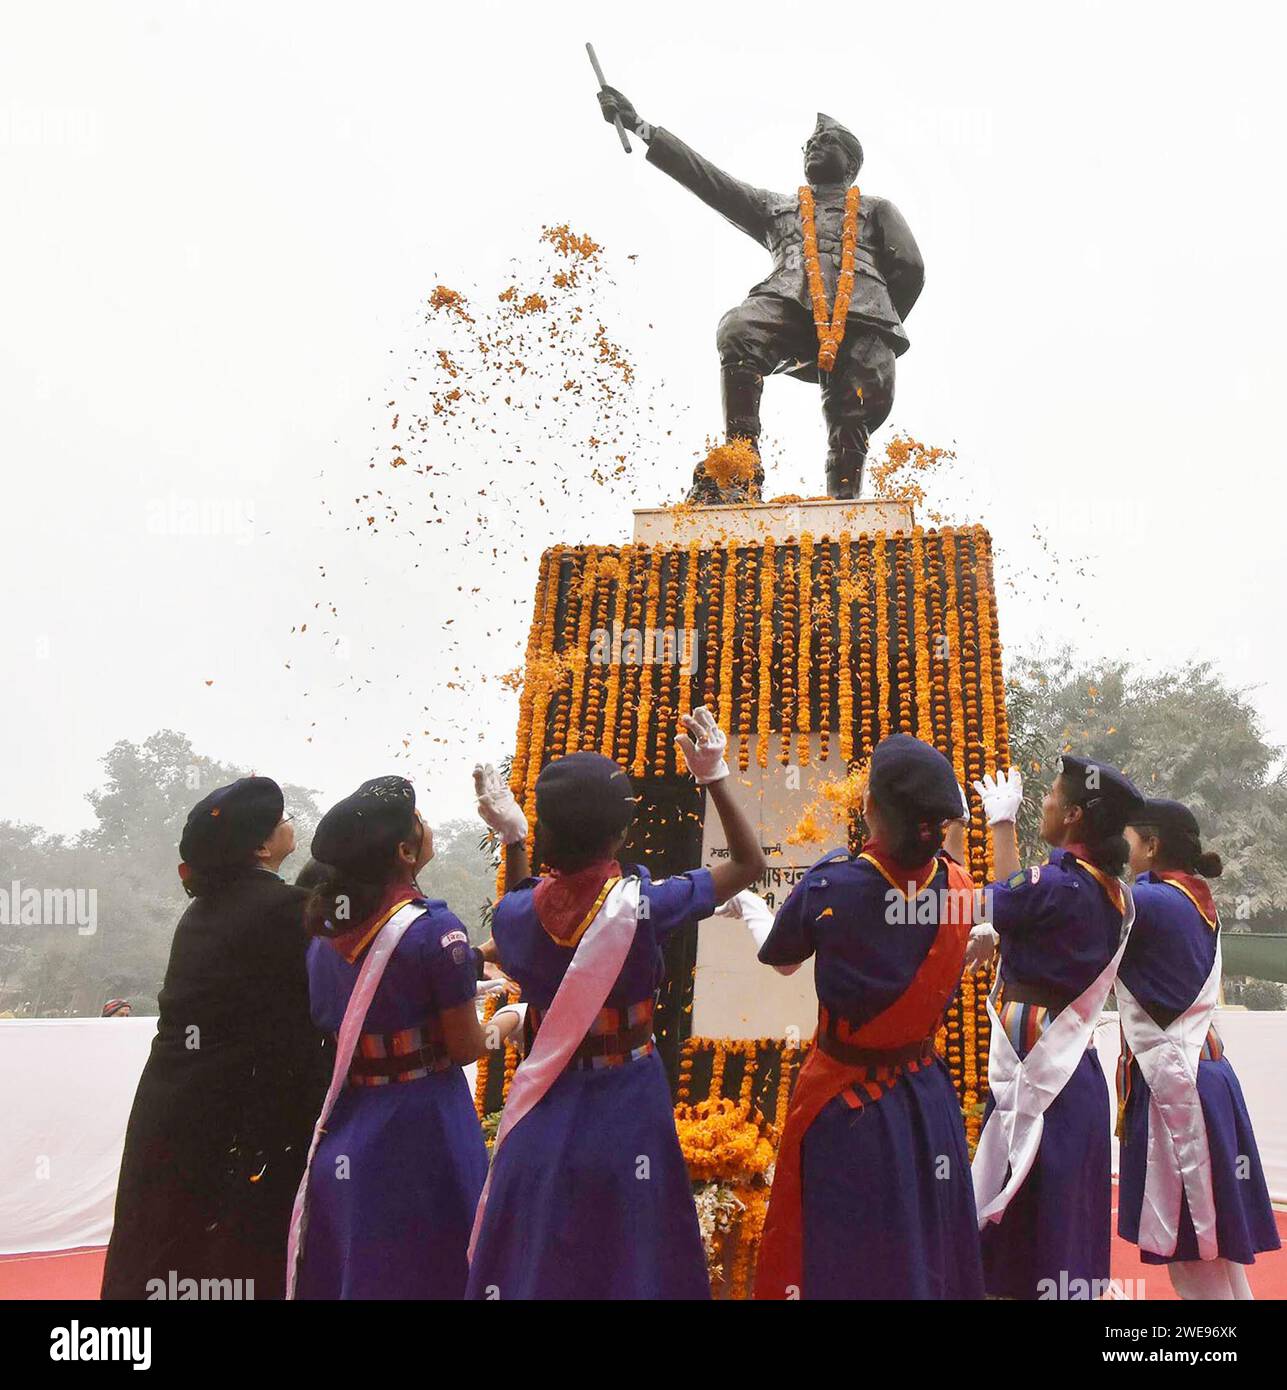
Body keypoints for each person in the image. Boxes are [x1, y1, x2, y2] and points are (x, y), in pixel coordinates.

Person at [466, 709, 766, 1300]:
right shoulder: (645, 906)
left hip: (546, 1105)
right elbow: (750, 864)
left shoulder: (517, 917)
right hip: (628, 1100)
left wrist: (515, 841)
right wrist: (715, 779)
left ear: (548, 831)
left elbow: (523, 910)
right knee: (632, 1256)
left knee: (546, 1258)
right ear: (622, 835)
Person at [595, 88, 923, 502]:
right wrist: (643, 128)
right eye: (809, 144)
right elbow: (712, 182)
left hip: (865, 320)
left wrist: (881, 323)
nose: (813, 147)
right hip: (788, 304)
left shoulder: (877, 209)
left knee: (850, 409)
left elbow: (910, 268)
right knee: (739, 328)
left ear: (851, 163)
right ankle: (741, 462)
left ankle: (843, 505)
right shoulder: (777, 208)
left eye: (826, 142)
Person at [753, 733, 984, 1300]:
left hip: (847, 1105)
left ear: (870, 808)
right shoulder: (958, 887)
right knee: (922, 1251)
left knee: (845, 1259)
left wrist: (756, 915)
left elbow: (781, 963)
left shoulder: (832, 885)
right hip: (926, 1099)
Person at [289, 775, 522, 1300]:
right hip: (424, 1131)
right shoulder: (434, 930)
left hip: (353, 1124)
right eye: (419, 819)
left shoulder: (327, 935)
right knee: (439, 1270)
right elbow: (467, 1047)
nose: (427, 825)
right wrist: (510, 1023)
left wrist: (475, 957)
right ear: (404, 850)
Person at [101, 777, 329, 1300]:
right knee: (232, 1249)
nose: (290, 823)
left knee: (163, 1242)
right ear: (261, 846)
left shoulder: (201, 912)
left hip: (173, 1101)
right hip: (236, 1115)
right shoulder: (287, 910)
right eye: (281, 819)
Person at [970, 754, 1142, 1300]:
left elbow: (984, 905)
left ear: (1071, 815)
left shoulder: (1056, 883)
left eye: (1048, 796)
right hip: (1072, 1077)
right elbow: (1015, 911)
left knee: (1019, 1244)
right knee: (1064, 1248)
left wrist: (994, 826)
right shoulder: (1113, 895)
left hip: (1039, 1082)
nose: (1040, 802)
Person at [1116, 798, 1280, 1299]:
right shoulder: (1190, 896)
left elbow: (1082, 908)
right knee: (1221, 1255)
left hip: (1178, 1089)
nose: (1120, 848)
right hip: (1204, 1078)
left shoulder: (1154, 902)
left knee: (1193, 1260)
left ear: (1152, 844)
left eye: (1125, 837)